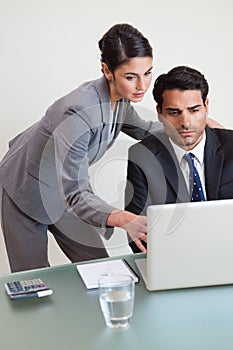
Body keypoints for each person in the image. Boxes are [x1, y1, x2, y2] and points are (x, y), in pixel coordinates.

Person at [125, 65, 233, 253]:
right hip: (173, 255)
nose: (185, 123)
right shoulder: (142, 156)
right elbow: (138, 233)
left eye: (194, 110)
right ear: (159, 112)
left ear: (206, 106)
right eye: (174, 112)